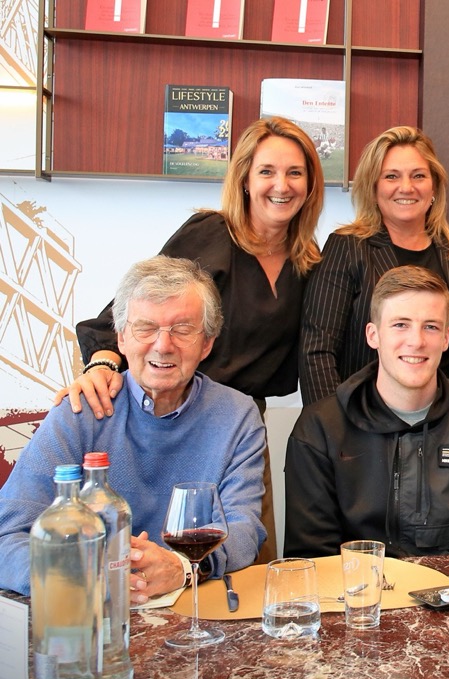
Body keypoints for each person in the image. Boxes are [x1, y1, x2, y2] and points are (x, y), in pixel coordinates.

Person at [61, 116, 324, 562]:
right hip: (176, 415)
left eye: (294, 172)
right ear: (244, 179)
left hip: (242, 428)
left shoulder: (310, 262)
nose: (281, 185)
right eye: (267, 171)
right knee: (161, 551)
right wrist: (102, 364)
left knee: (247, 558)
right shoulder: (210, 234)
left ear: (310, 183)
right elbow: (137, 307)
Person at [0, 257, 266, 598]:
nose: (163, 345)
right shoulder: (80, 411)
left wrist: (182, 568)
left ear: (207, 343)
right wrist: (86, 579)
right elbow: (8, 537)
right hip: (87, 606)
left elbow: (243, 529)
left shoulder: (237, 416)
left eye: (182, 329)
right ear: (121, 338)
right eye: (146, 328)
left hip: (194, 607)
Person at [284, 266, 449, 557]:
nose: (416, 341)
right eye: (400, 325)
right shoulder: (319, 429)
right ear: (373, 335)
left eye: (430, 327)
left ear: (446, 338)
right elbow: (312, 560)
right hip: (357, 587)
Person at [299, 126, 449, 404]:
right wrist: (331, 423)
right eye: (391, 176)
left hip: (448, 418)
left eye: (418, 176)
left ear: (434, 186)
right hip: (364, 418)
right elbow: (317, 350)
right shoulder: (347, 247)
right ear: (373, 188)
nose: (406, 187)